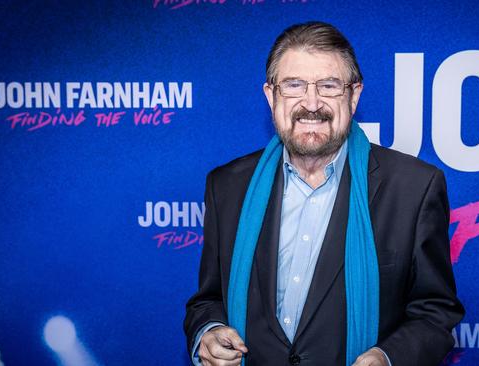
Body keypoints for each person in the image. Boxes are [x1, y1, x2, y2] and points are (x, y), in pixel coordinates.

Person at [184, 21, 464, 366]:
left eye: (329, 86)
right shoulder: (226, 186)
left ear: (354, 94)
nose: (311, 103)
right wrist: (209, 330)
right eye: (294, 85)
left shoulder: (415, 187)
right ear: (271, 96)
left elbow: (435, 313)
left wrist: (387, 357)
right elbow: (208, 298)